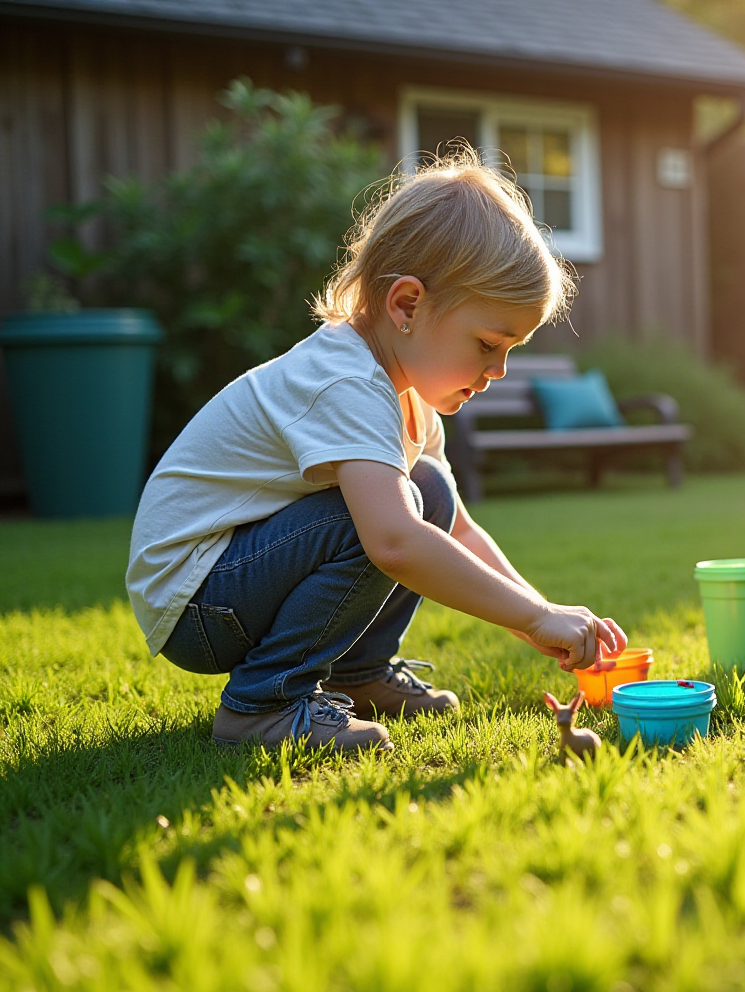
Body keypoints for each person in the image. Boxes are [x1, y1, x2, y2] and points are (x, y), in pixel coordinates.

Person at [126, 151, 625, 751]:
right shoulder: (347, 381)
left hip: (234, 582)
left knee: (429, 491)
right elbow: (393, 542)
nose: (499, 370)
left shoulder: (406, 391)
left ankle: (358, 675)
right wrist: (535, 617)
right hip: (197, 602)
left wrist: (538, 613)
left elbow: (457, 531)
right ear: (407, 305)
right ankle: (264, 703)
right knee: (388, 515)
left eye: (511, 349)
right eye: (489, 342)